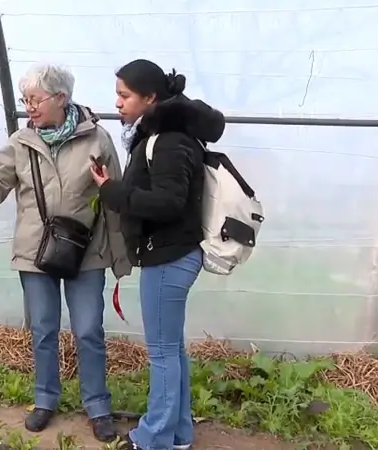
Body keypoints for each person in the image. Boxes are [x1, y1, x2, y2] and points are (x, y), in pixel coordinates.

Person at [0, 63, 132, 442]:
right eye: (26, 100)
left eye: (36, 99)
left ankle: (98, 406)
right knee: (43, 329)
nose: (29, 107)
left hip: (86, 252)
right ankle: (45, 400)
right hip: (35, 252)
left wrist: (120, 256)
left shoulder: (97, 140)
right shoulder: (20, 143)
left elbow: (114, 198)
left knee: (89, 330)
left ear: (61, 98)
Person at [89, 60, 225, 450]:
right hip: (173, 254)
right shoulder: (170, 136)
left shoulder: (167, 140)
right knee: (172, 351)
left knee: (162, 355)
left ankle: (153, 439)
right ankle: (178, 434)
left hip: (168, 257)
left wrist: (112, 190)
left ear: (150, 98)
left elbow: (168, 202)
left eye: (124, 95)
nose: (117, 102)